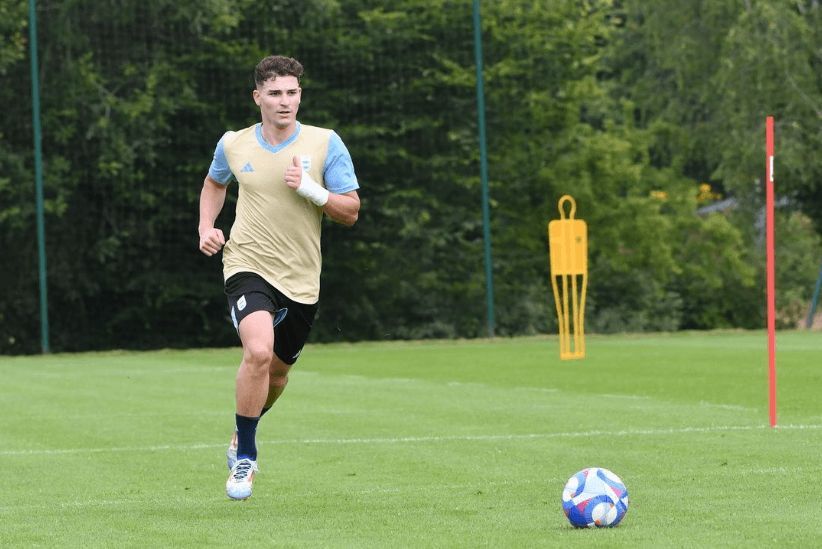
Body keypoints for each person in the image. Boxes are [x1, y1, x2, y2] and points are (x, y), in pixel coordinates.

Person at [198, 55, 360, 500]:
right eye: (275, 93)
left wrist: (311, 188)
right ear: (258, 98)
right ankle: (246, 457)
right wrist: (206, 227)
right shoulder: (233, 144)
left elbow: (350, 211)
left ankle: (239, 433)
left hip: (302, 278)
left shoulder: (326, 144)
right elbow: (215, 184)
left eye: (292, 92)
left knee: (279, 375)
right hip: (246, 263)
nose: (284, 101)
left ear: (300, 95)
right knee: (258, 351)